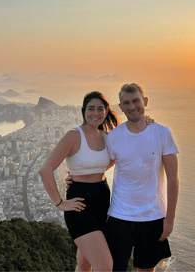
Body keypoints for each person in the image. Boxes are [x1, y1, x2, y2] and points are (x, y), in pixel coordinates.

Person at [67, 83, 180, 272]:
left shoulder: (162, 133)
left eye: (136, 101)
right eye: (126, 103)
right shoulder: (114, 136)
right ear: (121, 107)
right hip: (119, 217)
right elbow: (102, 165)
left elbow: (173, 178)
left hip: (153, 216)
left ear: (144, 101)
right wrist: (76, 178)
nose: (132, 106)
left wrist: (170, 219)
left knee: (146, 269)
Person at [39, 91, 117, 271]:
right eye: (91, 109)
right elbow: (45, 170)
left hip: (101, 202)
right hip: (79, 205)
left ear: (106, 112)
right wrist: (60, 203)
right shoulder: (74, 136)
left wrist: (87, 172)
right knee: (105, 266)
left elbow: (111, 160)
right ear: (84, 111)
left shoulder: (106, 137)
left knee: (84, 263)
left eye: (100, 109)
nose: (95, 113)